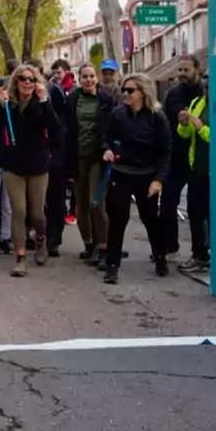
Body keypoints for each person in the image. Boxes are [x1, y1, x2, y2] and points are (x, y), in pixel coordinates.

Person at [102, 73, 172, 284]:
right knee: (117, 220)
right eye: (124, 90)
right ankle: (112, 265)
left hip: (146, 175)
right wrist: (106, 150)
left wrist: (159, 179)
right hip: (121, 172)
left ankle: (160, 257)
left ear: (143, 92)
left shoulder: (157, 117)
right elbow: (105, 138)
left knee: (150, 218)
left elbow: (166, 151)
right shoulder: (117, 114)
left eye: (130, 90)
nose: (126, 94)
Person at [0, 64, 60, 277]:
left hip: (37, 164)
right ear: (16, 82)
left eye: (31, 79)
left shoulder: (40, 104)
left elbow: (54, 126)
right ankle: (20, 258)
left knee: (37, 214)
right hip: (12, 165)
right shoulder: (8, 105)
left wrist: (44, 100)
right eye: (23, 78)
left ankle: (40, 238)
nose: (27, 82)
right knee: (19, 212)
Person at [66, 63, 115, 267]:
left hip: (98, 157)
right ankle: (89, 245)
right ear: (79, 79)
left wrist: (109, 148)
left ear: (96, 78)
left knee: (96, 203)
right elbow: (66, 128)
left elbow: (112, 127)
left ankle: (104, 247)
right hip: (78, 158)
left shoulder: (106, 100)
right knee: (81, 207)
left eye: (91, 76)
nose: (88, 80)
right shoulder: (72, 100)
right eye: (84, 76)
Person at [162, 55, 203, 259]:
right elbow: (164, 124)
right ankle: (170, 247)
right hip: (176, 158)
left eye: (186, 70)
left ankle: (200, 253)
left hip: (199, 159)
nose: (182, 74)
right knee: (167, 202)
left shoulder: (206, 93)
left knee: (197, 209)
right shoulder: (171, 94)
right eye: (179, 70)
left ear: (197, 70)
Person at [177, 71, 210, 273]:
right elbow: (186, 134)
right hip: (196, 166)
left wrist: (201, 128)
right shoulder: (197, 102)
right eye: (205, 85)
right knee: (194, 213)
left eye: (210, 85)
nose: (207, 88)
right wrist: (183, 124)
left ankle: (214, 254)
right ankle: (199, 255)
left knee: (212, 215)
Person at [44, 59, 74, 256]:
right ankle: (43, 235)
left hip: (55, 156)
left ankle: (53, 239)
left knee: (55, 199)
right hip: (38, 155)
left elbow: (63, 130)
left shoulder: (57, 98)